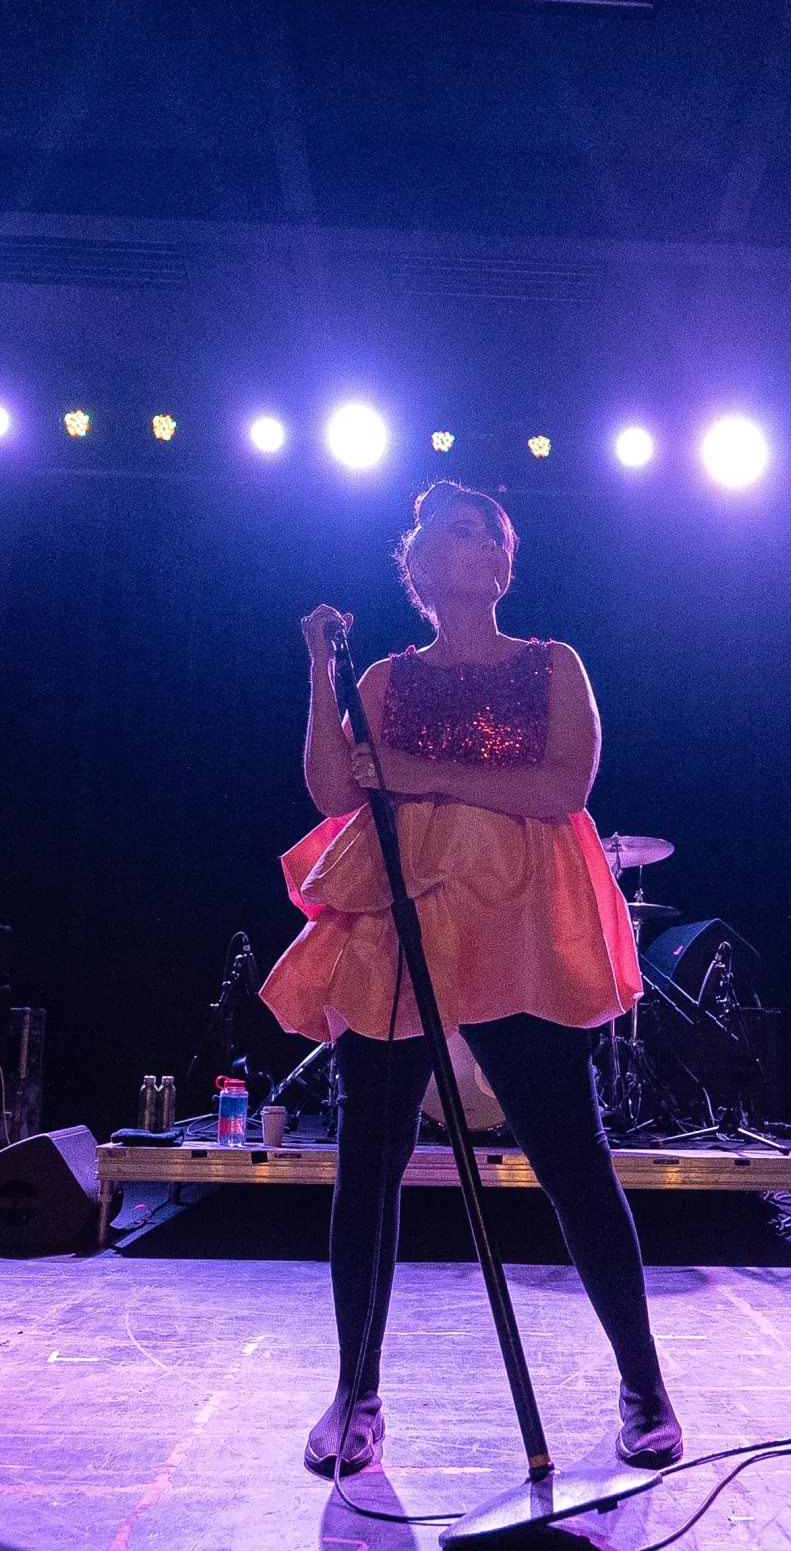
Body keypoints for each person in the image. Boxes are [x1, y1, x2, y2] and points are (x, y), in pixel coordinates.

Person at [260, 481, 679, 1477]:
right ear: (415, 566)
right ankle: (355, 1393)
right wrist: (318, 668)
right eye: (439, 530)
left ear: (501, 562)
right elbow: (332, 789)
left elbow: (564, 785)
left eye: (475, 529)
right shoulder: (385, 677)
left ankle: (644, 1384)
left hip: (517, 913)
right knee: (369, 1153)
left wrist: (429, 776)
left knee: (570, 1152)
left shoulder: (551, 663)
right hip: (400, 908)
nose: (456, 541)